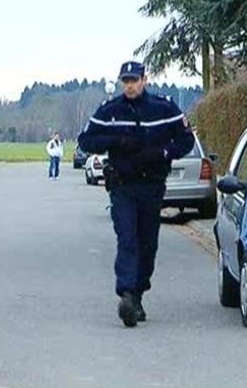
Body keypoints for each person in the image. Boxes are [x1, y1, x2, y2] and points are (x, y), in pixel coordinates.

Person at [78, 61, 194, 327]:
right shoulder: (110, 111)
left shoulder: (164, 108)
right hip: (123, 185)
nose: (129, 85)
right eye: (125, 81)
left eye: (134, 80)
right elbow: (86, 140)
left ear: (144, 80)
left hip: (152, 185)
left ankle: (138, 292)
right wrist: (115, 141)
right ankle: (127, 294)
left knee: (147, 243)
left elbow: (185, 140)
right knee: (127, 237)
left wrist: (163, 152)